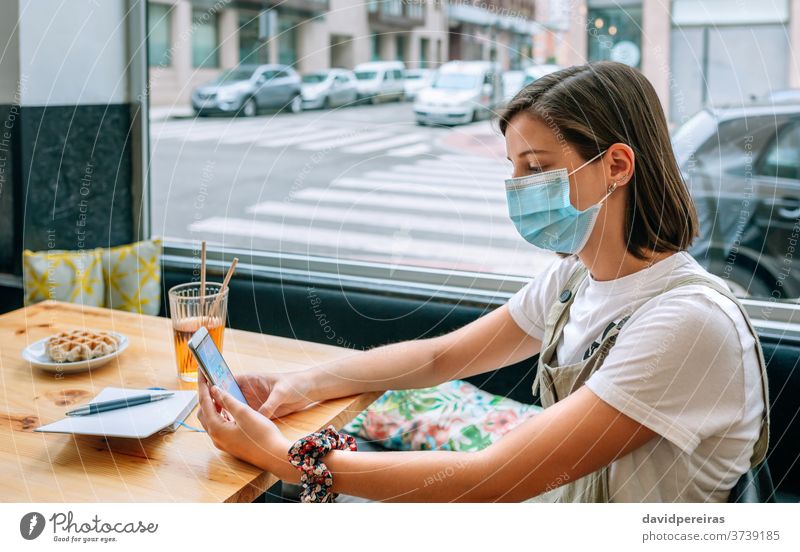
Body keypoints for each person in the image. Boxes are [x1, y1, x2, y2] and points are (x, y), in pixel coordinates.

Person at [196, 61, 769, 503]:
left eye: (538, 167)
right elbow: (439, 358)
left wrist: (289, 457)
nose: (518, 187)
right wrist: (301, 384)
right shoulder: (574, 279)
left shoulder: (686, 324)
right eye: (513, 168)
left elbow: (489, 479)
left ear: (617, 166)